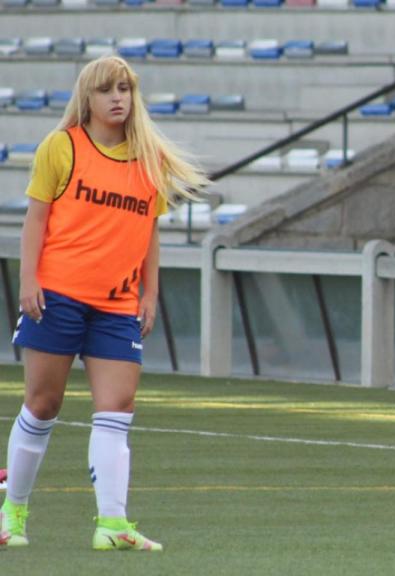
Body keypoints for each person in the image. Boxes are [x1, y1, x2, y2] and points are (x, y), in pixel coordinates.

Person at [0, 55, 208, 551]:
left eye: (125, 88)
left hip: (116, 306)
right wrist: (29, 281)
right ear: (86, 99)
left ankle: (112, 525)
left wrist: (149, 292)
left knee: (117, 407)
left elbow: (148, 231)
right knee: (42, 404)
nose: (118, 98)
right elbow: (36, 220)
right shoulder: (62, 147)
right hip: (57, 297)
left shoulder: (149, 158)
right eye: (107, 90)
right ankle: (13, 512)